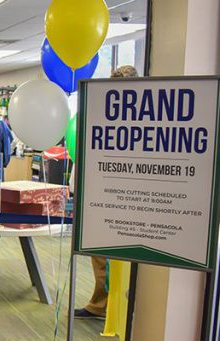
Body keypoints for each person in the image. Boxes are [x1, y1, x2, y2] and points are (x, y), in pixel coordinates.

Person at [75, 64, 139, 320]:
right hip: (102, 192)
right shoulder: (101, 111)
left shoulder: (145, 116)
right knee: (99, 253)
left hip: (131, 196)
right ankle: (100, 304)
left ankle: (121, 306)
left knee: (125, 257)